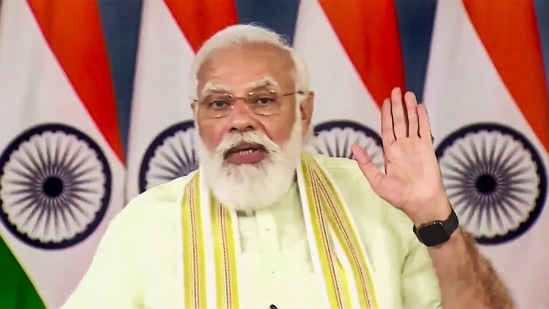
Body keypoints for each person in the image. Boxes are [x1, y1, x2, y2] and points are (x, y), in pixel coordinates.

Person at [62, 24, 513, 309]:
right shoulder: (144, 225)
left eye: (263, 99)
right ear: (197, 117)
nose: (241, 120)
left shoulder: (377, 200)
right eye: (219, 103)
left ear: (304, 112)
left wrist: (435, 219)